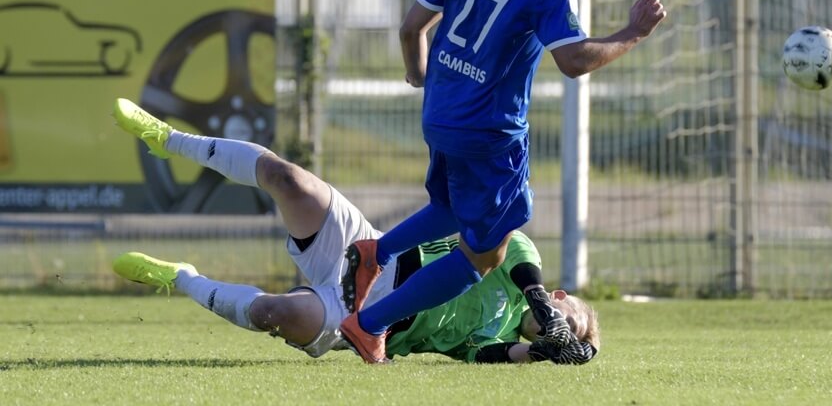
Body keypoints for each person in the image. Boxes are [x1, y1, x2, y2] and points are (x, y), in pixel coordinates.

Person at [339, 0, 666, 363]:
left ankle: (372, 253)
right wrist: (633, 33)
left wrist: (420, 75)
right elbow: (574, 62)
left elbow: (410, 29)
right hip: (489, 132)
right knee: (485, 254)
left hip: (440, 114)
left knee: (450, 208)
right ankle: (369, 325)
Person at [110, 98, 598, 364]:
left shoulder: (501, 331)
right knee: (289, 179)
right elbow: (517, 257)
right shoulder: (520, 257)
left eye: (568, 334)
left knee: (273, 312)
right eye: (569, 319)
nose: (563, 329)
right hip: (364, 253)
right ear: (558, 295)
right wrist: (539, 305)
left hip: (364, 322)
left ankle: (180, 278)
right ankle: (168, 139)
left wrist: (541, 352)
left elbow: (489, 353)